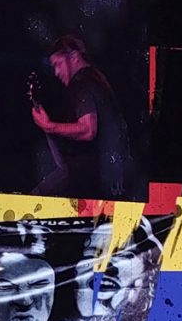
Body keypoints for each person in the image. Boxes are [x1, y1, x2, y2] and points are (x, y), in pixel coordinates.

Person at [30, 36, 134, 199]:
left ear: (74, 56)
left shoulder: (81, 83)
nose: (56, 72)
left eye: (58, 64)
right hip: (113, 174)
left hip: (94, 175)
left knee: (36, 198)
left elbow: (88, 130)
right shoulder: (95, 79)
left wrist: (49, 126)